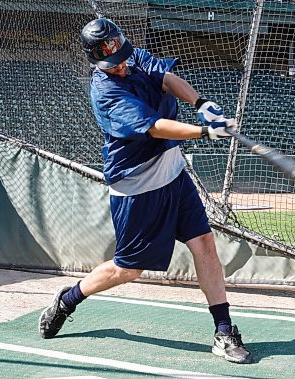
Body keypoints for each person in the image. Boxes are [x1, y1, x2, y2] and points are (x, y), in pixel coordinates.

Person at [38, 18, 252, 364]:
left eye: (122, 55)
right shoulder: (106, 92)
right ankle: (69, 299)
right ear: (95, 60)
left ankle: (224, 331)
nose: (122, 65)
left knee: (205, 244)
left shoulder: (132, 56)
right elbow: (154, 127)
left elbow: (165, 77)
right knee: (128, 270)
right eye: (112, 62)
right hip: (138, 184)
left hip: (172, 171)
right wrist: (205, 132)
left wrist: (202, 103)